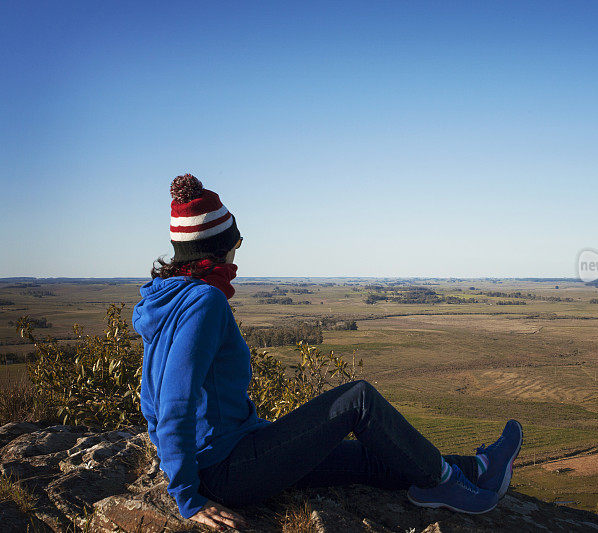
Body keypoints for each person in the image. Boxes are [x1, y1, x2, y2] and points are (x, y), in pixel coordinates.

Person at [132, 174, 524, 531]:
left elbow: (150, 395)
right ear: (217, 248)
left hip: (236, 451)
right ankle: (444, 485)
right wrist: (187, 497)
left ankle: (480, 469)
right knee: (359, 400)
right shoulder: (205, 303)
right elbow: (173, 404)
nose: (239, 248)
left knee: (370, 456)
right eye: (236, 240)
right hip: (228, 468)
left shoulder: (165, 300)